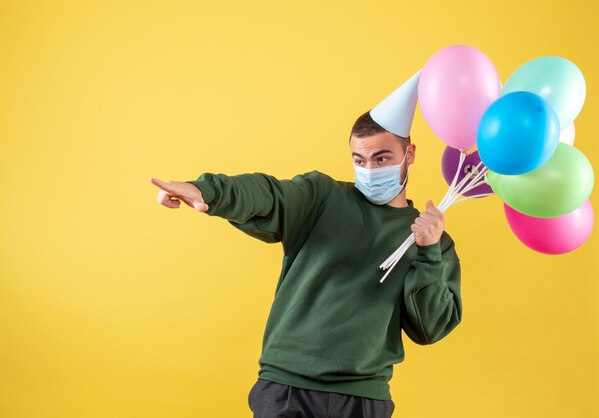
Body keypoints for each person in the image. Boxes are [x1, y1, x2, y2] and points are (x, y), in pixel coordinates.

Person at [149, 71, 462, 418]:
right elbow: (268, 194)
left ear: (410, 154)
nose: (370, 170)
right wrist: (207, 191)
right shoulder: (322, 198)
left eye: (382, 158)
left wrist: (429, 252)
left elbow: (430, 327)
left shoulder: (432, 240)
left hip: (364, 398)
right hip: (287, 389)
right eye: (359, 160)